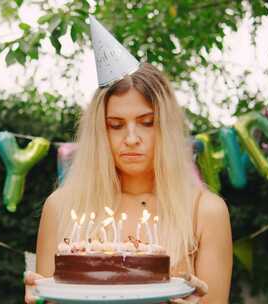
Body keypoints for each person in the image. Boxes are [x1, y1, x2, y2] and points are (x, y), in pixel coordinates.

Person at [24, 15, 232, 304]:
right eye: (116, 125)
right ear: (100, 131)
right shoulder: (62, 207)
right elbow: (47, 295)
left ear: (167, 129)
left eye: (147, 122)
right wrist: (39, 297)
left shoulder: (205, 212)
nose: (132, 137)